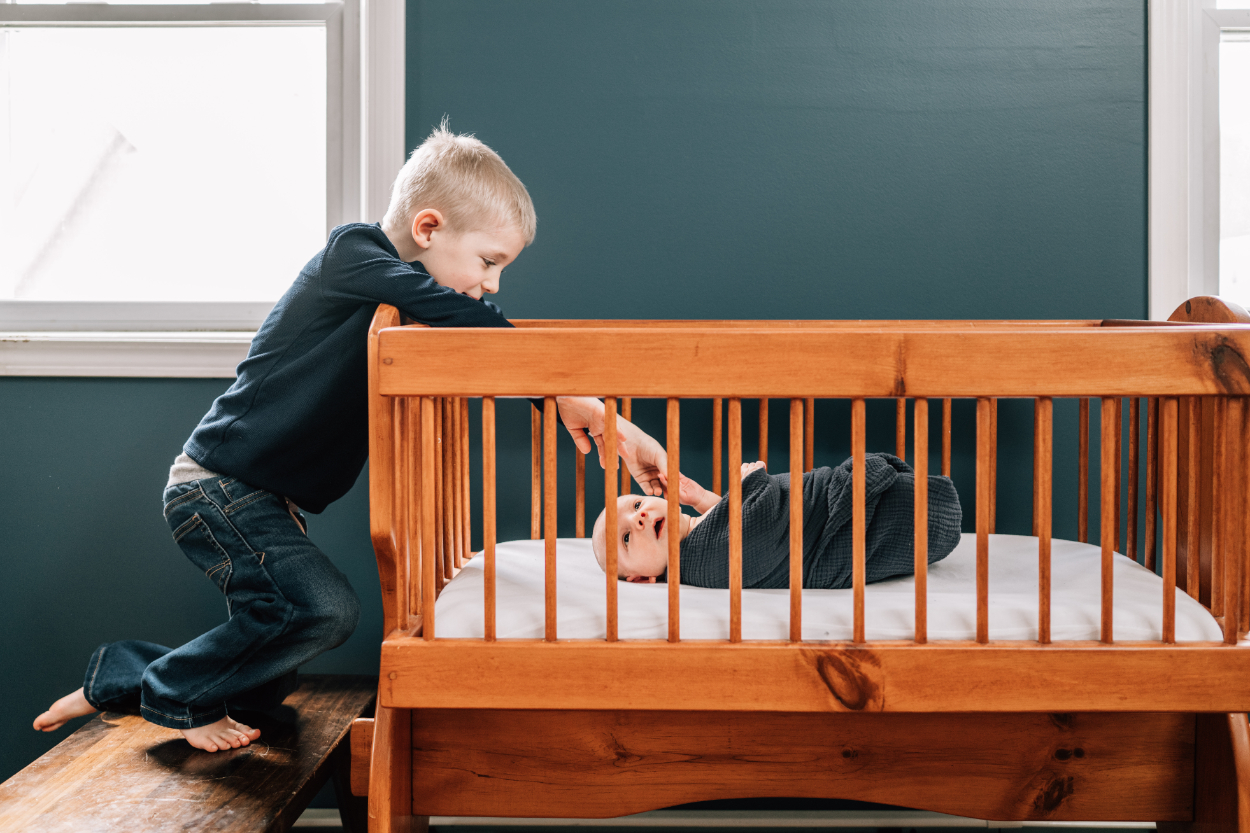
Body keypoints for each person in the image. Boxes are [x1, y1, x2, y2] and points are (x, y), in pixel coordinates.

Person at [33, 121, 670, 753]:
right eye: (488, 261)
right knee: (323, 610)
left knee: (265, 678)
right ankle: (175, 695)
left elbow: (477, 344)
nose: (492, 284)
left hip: (260, 497)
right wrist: (582, 401)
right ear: (428, 228)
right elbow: (470, 321)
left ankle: (120, 676)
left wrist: (588, 413)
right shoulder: (352, 255)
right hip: (220, 487)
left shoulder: (401, 299)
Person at [591, 455, 962, 588]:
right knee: (905, 506)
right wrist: (751, 484)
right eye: (626, 538)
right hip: (833, 532)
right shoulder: (697, 566)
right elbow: (758, 536)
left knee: (904, 497)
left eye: (636, 504)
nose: (639, 517)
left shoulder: (694, 542)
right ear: (641, 579)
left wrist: (703, 499)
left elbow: (727, 524)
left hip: (823, 514)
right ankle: (929, 512)